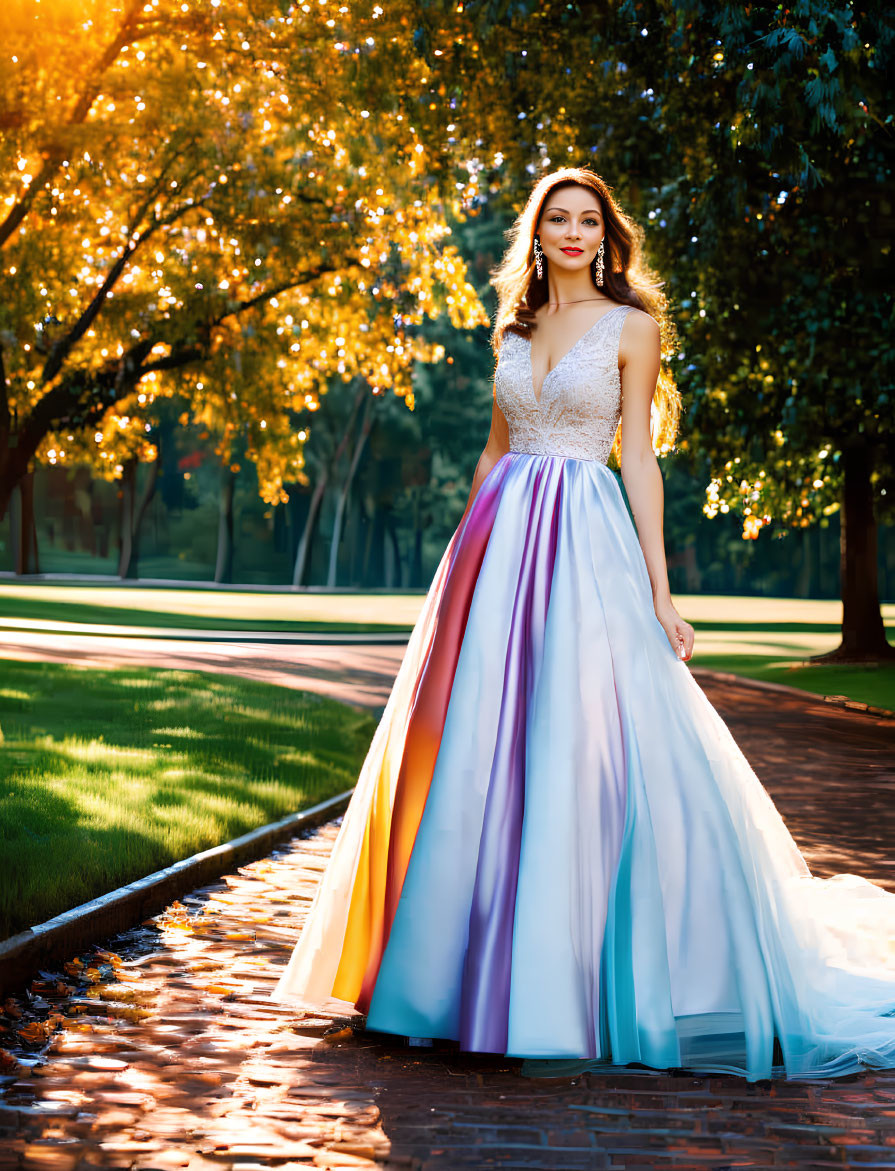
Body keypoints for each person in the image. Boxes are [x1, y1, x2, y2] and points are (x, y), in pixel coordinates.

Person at [270, 165, 895, 1082]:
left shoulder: (632, 327)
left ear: (606, 235)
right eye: (556, 218)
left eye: (587, 220)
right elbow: (492, 449)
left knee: (584, 742)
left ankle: (576, 983)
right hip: (497, 544)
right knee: (480, 749)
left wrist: (661, 588)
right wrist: (459, 565)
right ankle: (446, 983)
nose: (572, 232)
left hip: (585, 540)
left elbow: (636, 458)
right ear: (536, 233)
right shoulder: (513, 329)